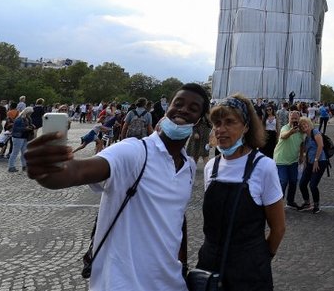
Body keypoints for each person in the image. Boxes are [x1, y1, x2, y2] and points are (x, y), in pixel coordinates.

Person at [25, 84, 208, 291]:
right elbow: (76, 172)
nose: (184, 110)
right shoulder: (134, 151)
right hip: (122, 283)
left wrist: (182, 267)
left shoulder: (189, 167)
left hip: (171, 283)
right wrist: (48, 171)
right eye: (179, 103)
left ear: (199, 120)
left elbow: (176, 218)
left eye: (193, 108)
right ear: (167, 109)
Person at [197, 94, 286, 291]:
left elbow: (278, 228)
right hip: (209, 266)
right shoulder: (211, 167)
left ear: (246, 126)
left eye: (229, 122)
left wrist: (260, 257)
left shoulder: (264, 167)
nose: (220, 129)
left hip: (249, 272)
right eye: (217, 123)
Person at [273, 111, 305, 209]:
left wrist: (301, 156)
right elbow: (283, 136)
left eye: (296, 119)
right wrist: (291, 131)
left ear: (299, 119)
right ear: (289, 119)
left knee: (293, 181)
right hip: (281, 159)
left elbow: (302, 144)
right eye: (292, 118)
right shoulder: (285, 128)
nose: (294, 120)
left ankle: (290, 201)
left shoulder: (300, 132)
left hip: (293, 160)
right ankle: (278, 203)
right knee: (283, 181)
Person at [296, 116, 328, 213]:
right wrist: (305, 160)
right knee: (302, 183)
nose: (304, 126)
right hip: (310, 162)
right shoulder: (306, 137)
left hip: (320, 161)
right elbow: (307, 150)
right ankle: (307, 203)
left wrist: (316, 160)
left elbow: (320, 146)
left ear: (309, 123)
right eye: (302, 126)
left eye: (305, 124)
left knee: (313, 185)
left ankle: (317, 205)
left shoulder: (315, 132)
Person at [8, 107, 35, 172]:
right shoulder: (19, 119)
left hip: (25, 137)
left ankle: (24, 166)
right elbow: (15, 129)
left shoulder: (28, 118)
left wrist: (32, 126)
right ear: (26, 112)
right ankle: (11, 166)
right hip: (18, 137)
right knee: (15, 152)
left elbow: (28, 125)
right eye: (29, 113)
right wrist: (25, 128)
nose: (30, 114)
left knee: (24, 152)